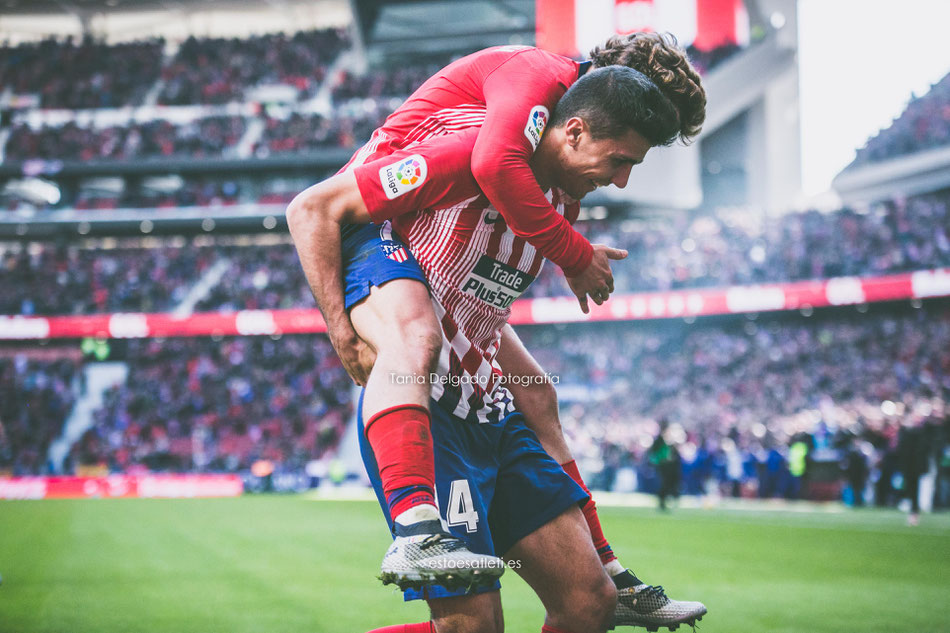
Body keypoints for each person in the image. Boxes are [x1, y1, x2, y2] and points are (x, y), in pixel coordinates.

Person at [303, 33, 707, 624]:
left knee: (585, 598)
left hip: (482, 403)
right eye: (623, 156)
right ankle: (416, 525)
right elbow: (319, 207)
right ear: (590, 109)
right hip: (376, 232)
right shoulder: (489, 134)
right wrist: (342, 333)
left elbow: (477, 294)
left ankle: (610, 571)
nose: (623, 180)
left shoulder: (557, 190)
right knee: (416, 339)